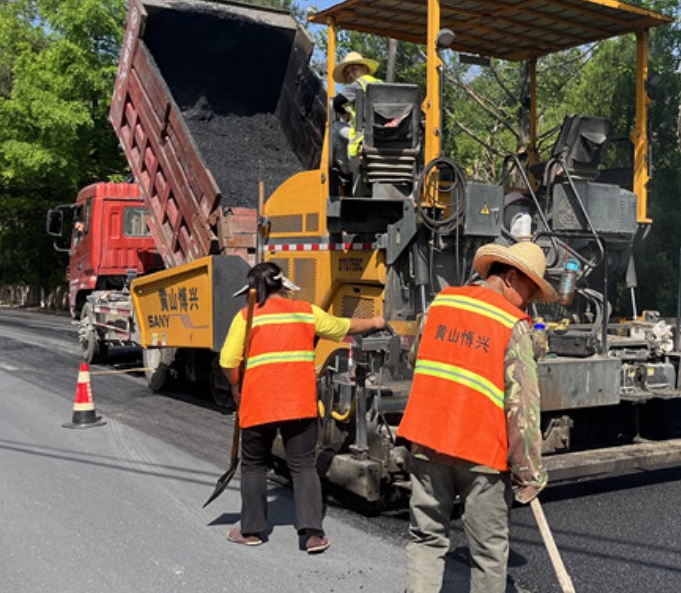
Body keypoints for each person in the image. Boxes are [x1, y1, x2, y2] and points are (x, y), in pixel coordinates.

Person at [400, 241, 556, 593]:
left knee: (426, 539)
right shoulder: (513, 324)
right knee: (487, 553)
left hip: (427, 442)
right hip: (481, 453)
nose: (530, 302)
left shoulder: (440, 303)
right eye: (530, 291)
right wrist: (528, 472)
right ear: (511, 277)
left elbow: (417, 358)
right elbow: (523, 408)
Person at [219, 262, 386, 550]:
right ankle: (312, 535)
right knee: (304, 466)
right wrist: (376, 322)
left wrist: (236, 388)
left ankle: (252, 531)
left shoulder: (246, 317)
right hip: (298, 403)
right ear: (284, 287)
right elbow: (343, 327)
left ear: (253, 291)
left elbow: (227, 362)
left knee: (254, 466)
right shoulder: (307, 312)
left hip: (258, 404)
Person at [331, 51, 381, 167]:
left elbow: (335, 102)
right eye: (348, 73)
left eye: (354, 69)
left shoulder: (358, 84)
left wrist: (343, 113)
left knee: (335, 127)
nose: (351, 75)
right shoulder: (380, 83)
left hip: (363, 137)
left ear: (364, 68)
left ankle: (344, 171)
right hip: (383, 135)